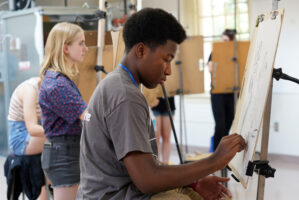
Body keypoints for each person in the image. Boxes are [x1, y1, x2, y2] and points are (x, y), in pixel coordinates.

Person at [78, 8, 246, 200]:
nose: (169, 71)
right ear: (140, 50)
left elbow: (149, 167)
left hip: (124, 189)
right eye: (166, 59)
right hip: (115, 195)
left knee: (196, 193)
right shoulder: (125, 95)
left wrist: (195, 181)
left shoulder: (119, 84)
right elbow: (148, 180)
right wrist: (215, 161)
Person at [39, 22, 88, 200]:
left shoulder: (60, 80)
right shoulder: (57, 84)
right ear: (66, 48)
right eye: (81, 43)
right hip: (64, 154)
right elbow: (87, 116)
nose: (86, 49)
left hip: (66, 150)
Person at [7, 77, 47, 200]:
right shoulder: (30, 90)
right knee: (64, 140)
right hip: (21, 137)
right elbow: (32, 129)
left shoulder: (53, 89)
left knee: (63, 142)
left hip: (37, 132)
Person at [208, 29, 236, 151]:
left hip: (230, 94)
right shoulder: (214, 53)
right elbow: (210, 69)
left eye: (225, 41)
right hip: (217, 94)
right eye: (222, 39)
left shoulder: (234, 55)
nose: (222, 42)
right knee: (220, 125)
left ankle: (224, 156)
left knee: (228, 124)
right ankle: (215, 155)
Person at [151, 96, 175, 164]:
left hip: (169, 104)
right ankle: (157, 164)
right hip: (154, 106)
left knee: (167, 137)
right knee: (156, 138)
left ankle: (166, 164)